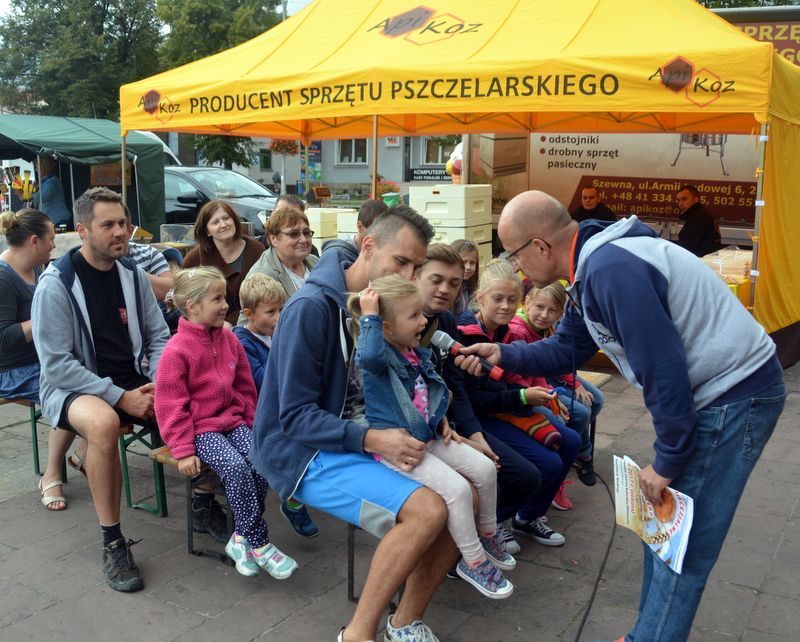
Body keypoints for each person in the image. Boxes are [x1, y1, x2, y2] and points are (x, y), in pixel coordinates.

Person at [458, 190, 786, 642]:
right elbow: (567, 348)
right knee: (665, 533)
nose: (517, 268)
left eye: (514, 255)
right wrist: (501, 350)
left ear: (539, 245)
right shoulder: (593, 263)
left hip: (733, 397)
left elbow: (663, 367)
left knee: (681, 546)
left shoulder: (612, 269)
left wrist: (668, 460)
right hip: (715, 395)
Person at [250, 205, 456, 642]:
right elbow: (294, 417)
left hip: (358, 433)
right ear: (368, 246)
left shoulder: (382, 302)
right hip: (301, 451)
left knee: (465, 498)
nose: (409, 274)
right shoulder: (311, 307)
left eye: (416, 266)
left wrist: (431, 418)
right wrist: (373, 439)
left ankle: (404, 624)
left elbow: (402, 377)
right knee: (429, 510)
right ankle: (358, 634)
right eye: (401, 261)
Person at [31, 187, 170, 592]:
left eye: (123, 223)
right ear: (82, 230)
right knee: (105, 422)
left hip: (133, 379)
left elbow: (160, 336)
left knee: (201, 398)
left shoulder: (132, 275)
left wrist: (159, 384)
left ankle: (205, 502)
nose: (120, 232)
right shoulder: (57, 283)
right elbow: (56, 365)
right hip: (72, 388)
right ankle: (113, 541)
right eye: (107, 225)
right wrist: (120, 396)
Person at [349, 274, 515, 599]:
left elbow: (424, 396)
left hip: (429, 436)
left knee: (482, 468)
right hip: (402, 450)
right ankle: (473, 560)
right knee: (457, 490)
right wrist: (370, 315)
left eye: (420, 313)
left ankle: (487, 533)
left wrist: (440, 419)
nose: (424, 321)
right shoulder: (379, 361)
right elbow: (367, 355)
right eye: (413, 316)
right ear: (384, 328)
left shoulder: (415, 353)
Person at [155, 266, 298, 579]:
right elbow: (170, 404)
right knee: (234, 467)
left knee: (260, 460)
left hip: (232, 422)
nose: (224, 305)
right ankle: (259, 542)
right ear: (192, 306)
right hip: (201, 430)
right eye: (217, 299)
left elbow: (246, 387)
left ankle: (240, 537)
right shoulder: (176, 350)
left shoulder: (230, 340)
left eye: (224, 298)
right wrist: (183, 449)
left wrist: (252, 425)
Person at [416, 244, 542, 556]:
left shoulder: (444, 321)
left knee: (527, 476)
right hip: (419, 431)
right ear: (415, 275)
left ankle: (477, 540)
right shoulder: (394, 320)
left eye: (454, 282)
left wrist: (473, 433)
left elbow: (454, 382)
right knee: (475, 484)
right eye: (437, 279)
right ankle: (462, 552)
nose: (446, 289)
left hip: (452, 422)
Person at [456, 260, 580, 545]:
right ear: (481, 296)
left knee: (571, 441)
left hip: (505, 408)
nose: (505, 306)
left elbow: (517, 377)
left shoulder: (503, 332)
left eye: (512, 300)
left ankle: (528, 517)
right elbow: (475, 401)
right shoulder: (468, 336)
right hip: (481, 418)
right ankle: (495, 522)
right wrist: (524, 396)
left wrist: (538, 394)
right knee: (545, 466)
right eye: (497, 299)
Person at [233, 272, 321, 539]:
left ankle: (303, 489)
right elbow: (263, 382)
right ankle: (293, 500)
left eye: (282, 309)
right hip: (258, 414)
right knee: (294, 442)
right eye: (271, 312)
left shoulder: (276, 334)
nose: (279, 317)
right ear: (249, 313)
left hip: (284, 407)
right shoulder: (243, 342)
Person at [508, 282, 605, 491]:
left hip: (546, 377)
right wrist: (552, 395)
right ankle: (578, 453)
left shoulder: (547, 328)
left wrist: (576, 383)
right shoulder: (519, 331)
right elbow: (525, 375)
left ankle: (578, 451)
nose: (544, 315)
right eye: (540, 307)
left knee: (595, 399)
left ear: (561, 313)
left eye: (552, 310)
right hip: (530, 386)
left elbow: (558, 360)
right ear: (527, 303)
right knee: (580, 413)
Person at [0, 208, 64, 510]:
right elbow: (4, 340)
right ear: (35, 240)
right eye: (51, 238)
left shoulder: (39, 269)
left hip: (39, 362)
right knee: (71, 394)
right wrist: (42, 317)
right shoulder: (3, 277)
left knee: (97, 376)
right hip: (11, 371)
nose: (55, 244)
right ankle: (52, 475)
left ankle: (81, 457)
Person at [182, 200, 265, 326]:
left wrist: (232, 322)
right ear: (207, 231)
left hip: (252, 325)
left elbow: (265, 295)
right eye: (215, 222)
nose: (223, 224)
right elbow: (186, 301)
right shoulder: (194, 259)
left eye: (226, 218)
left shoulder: (256, 250)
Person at [239, 206, 319, 318]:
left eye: (306, 233)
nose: (304, 240)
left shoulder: (315, 262)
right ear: (274, 239)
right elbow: (246, 323)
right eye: (294, 234)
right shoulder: (262, 274)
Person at [322, 198, 388, 264]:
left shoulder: (383, 251)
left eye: (386, 230)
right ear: (360, 226)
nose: (382, 235)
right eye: (377, 229)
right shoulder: (340, 254)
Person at [675, 184, 721, 257]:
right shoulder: (700, 214)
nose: (680, 204)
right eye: (678, 200)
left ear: (696, 199)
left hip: (700, 262)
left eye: (684, 199)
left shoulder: (698, 218)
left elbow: (685, 248)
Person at [31, 156, 71, 229]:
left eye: (37, 166)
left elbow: (41, 198)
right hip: (53, 219)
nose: (36, 170)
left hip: (59, 219)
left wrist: (25, 194)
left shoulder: (52, 182)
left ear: (43, 166)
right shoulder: (44, 181)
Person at [450, 239, 479, 317]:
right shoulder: (448, 290)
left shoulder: (474, 287)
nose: (468, 267)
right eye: (463, 262)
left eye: (472, 263)